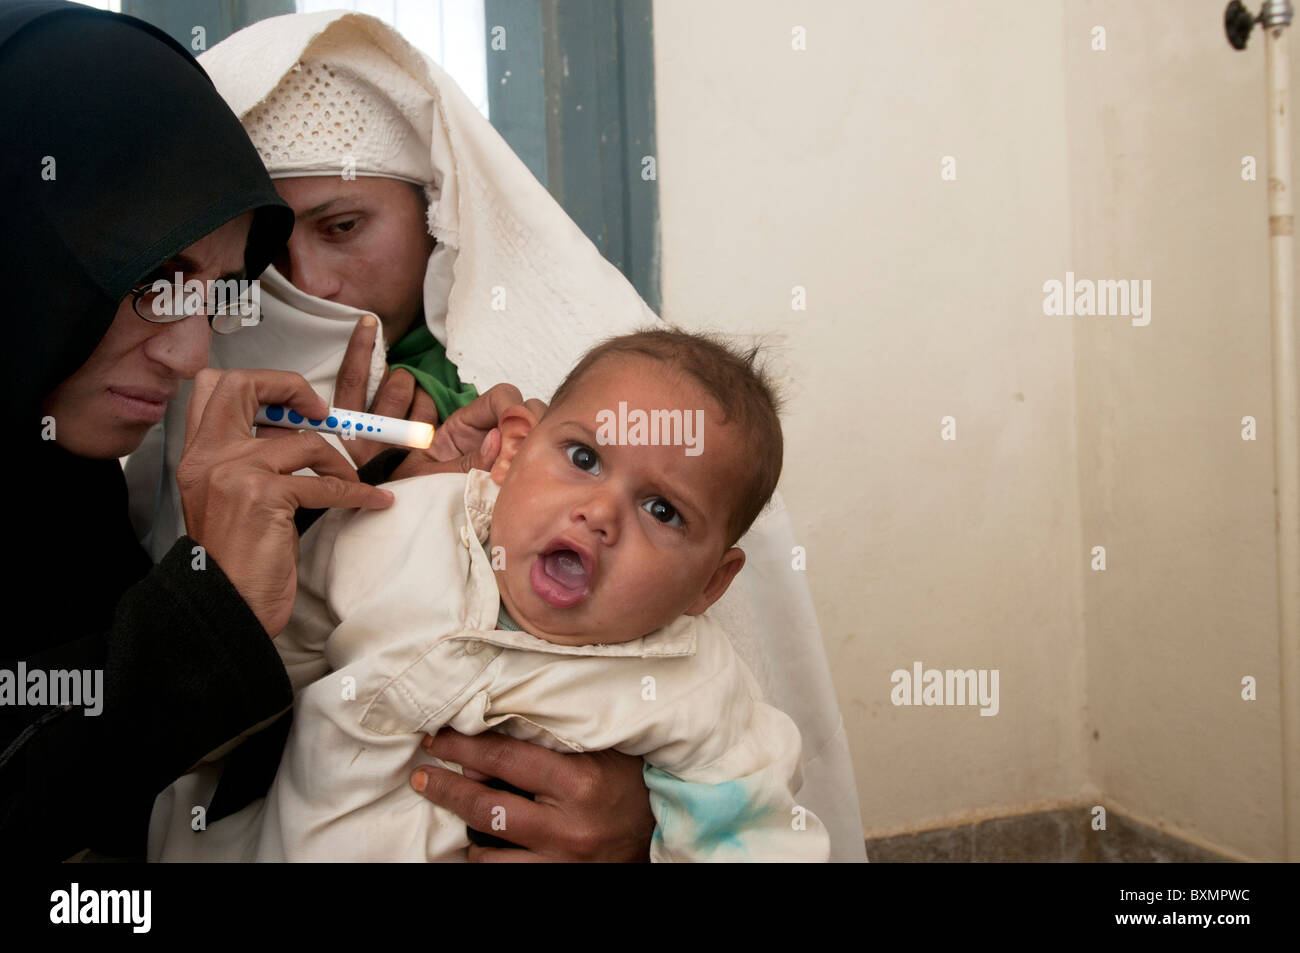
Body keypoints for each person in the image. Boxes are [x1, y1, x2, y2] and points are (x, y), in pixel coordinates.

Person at [128, 10, 866, 862]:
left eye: (343, 227)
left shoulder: (584, 389)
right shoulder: (183, 374)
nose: (310, 282)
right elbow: (202, 715)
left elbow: (748, 805)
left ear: (436, 214)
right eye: (261, 254)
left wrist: (644, 825)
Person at [151, 330, 831, 862]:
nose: (600, 513)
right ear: (514, 448)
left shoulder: (693, 689)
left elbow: (753, 837)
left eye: (662, 509)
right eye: (585, 458)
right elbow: (264, 666)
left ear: (709, 584)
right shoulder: (401, 523)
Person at [0, 0, 400, 861]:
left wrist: (309, 546)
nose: (189, 353)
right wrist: (201, 610)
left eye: (217, 291)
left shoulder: (66, 483)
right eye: (154, 275)